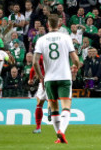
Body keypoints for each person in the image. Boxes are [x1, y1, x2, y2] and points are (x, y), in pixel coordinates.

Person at [33, 15, 82, 144]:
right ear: (59, 24)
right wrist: (76, 67)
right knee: (66, 106)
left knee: (54, 108)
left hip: (49, 79)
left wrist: (41, 77)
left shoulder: (41, 40)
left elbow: (35, 62)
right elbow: (75, 59)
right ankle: (62, 131)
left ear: (48, 24)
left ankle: (58, 136)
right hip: (64, 77)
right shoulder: (66, 38)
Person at [28, 54, 51, 133]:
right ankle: (50, 109)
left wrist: (30, 79)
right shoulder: (55, 55)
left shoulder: (41, 56)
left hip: (44, 80)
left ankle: (38, 127)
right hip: (54, 80)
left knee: (39, 104)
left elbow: (34, 67)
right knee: (50, 100)